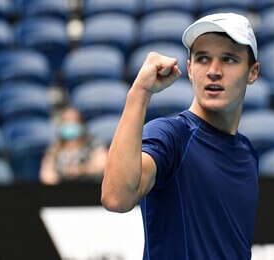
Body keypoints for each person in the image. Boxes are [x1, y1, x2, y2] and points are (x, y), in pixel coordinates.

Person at [101, 13, 261, 259]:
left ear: (252, 72)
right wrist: (139, 93)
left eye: (229, 59)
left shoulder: (247, 153)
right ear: (189, 69)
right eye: (202, 59)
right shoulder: (171, 135)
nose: (214, 71)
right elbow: (116, 197)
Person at [40, 106, 108, 185]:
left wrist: (80, 170)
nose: (70, 124)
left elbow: (102, 166)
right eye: (66, 121)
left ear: (82, 124)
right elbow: (46, 175)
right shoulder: (55, 147)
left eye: (74, 120)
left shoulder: (94, 143)